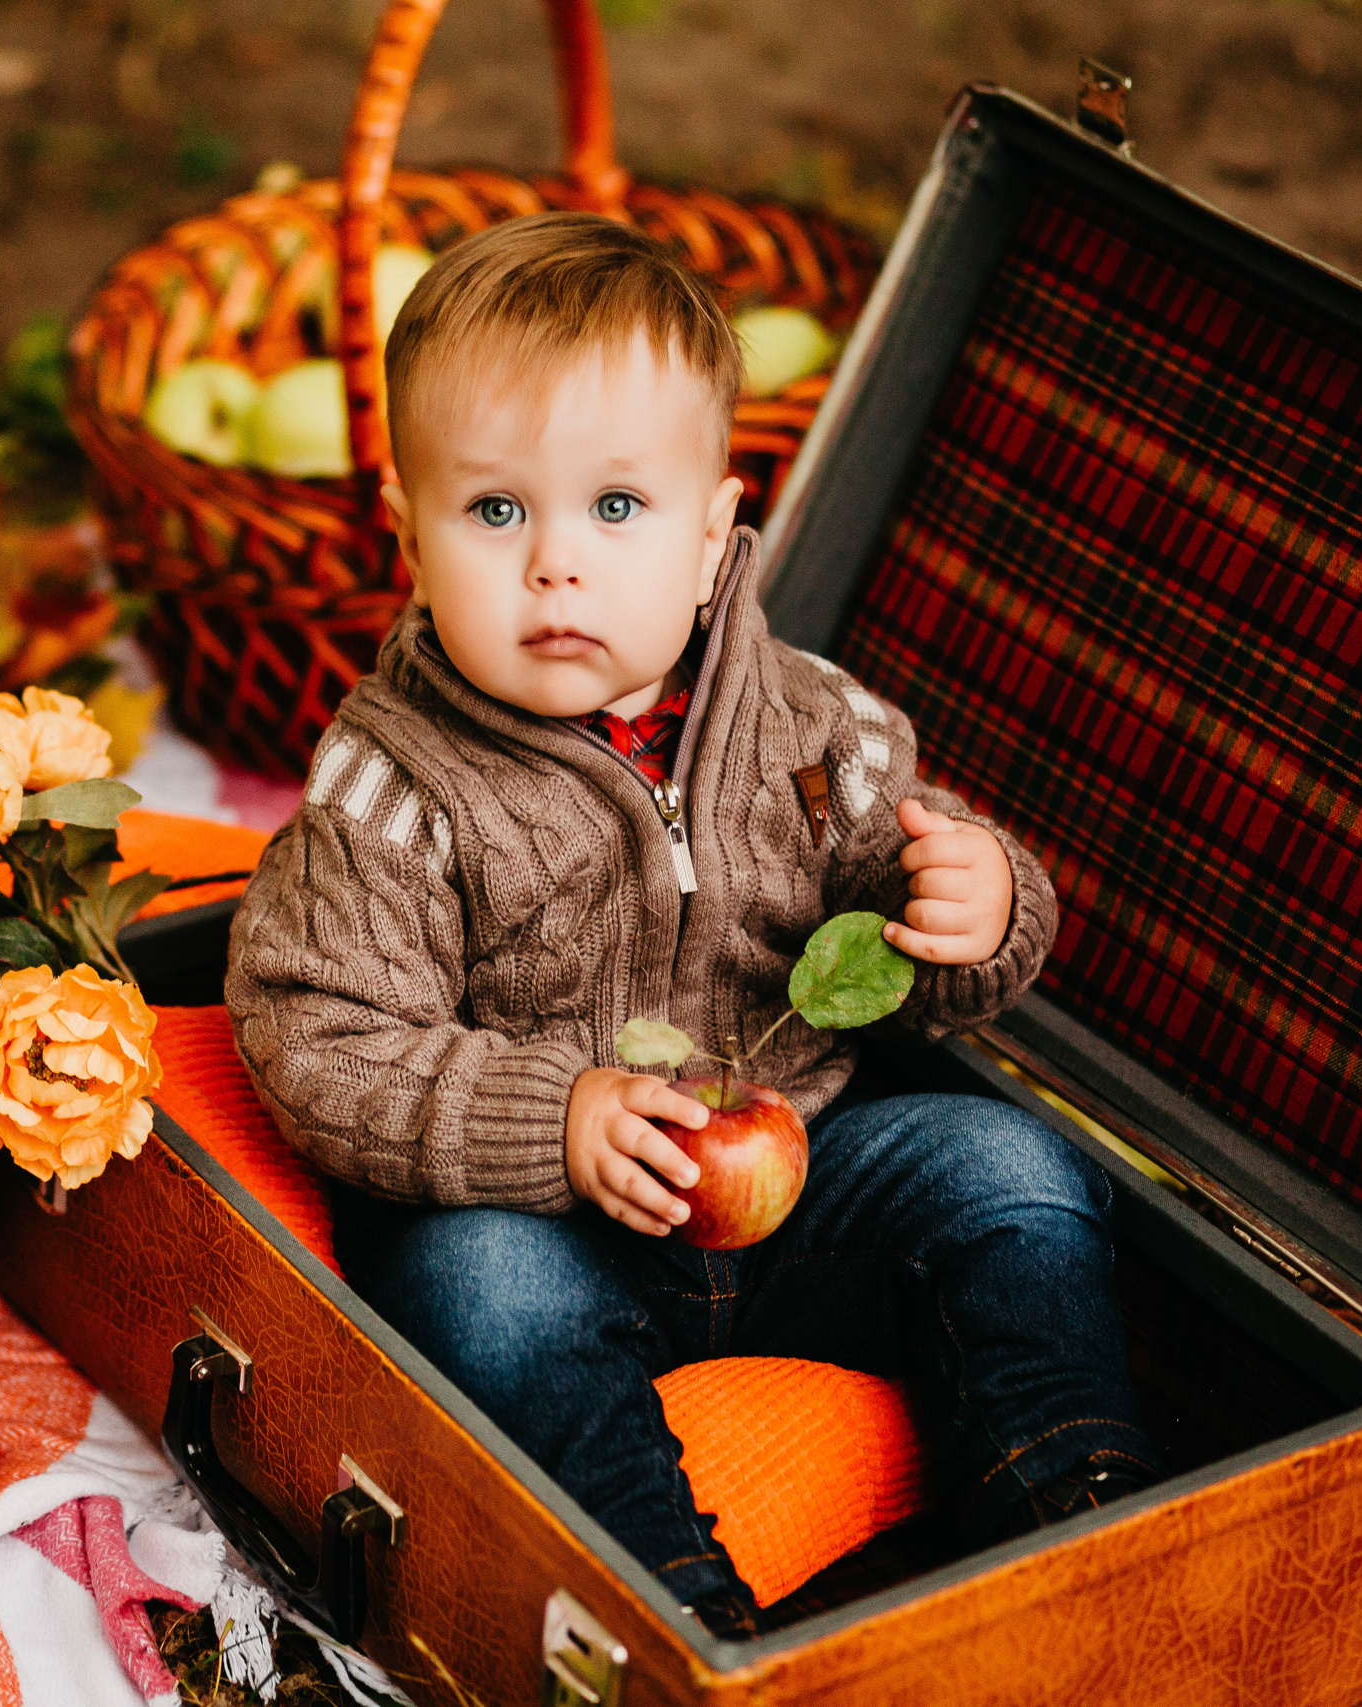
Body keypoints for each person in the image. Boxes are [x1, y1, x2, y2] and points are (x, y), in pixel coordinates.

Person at [223, 211, 1159, 1636]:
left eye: (616, 508)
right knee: (469, 1294)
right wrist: (557, 1118)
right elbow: (317, 1036)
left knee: (1000, 1163)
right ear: (407, 535)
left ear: (716, 533)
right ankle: (668, 1609)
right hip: (545, 1224)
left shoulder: (812, 722)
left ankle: (1068, 1503)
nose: (556, 565)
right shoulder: (390, 782)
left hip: (797, 1185)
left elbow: (905, 939)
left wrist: (977, 905)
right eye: (494, 511)